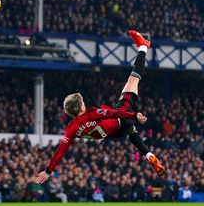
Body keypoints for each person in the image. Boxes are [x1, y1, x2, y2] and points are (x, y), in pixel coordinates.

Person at [32, 31, 165, 184]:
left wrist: (48, 170)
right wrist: (134, 115)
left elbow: (60, 151)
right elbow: (113, 112)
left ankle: (149, 155)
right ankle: (143, 47)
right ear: (80, 106)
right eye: (82, 102)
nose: (84, 103)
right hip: (121, 119)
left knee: (131, 131)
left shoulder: (71, 128)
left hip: (116, 133)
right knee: (133, 80)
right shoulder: (91, 113)